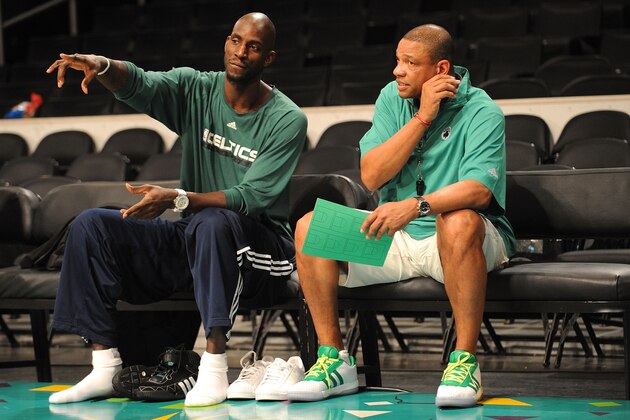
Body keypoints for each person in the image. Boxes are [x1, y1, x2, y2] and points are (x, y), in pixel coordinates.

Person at [45, 12, 307, 406]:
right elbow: (139, 83)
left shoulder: (287, 118)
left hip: (261, 251)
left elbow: (251, 197)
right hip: (196, 237)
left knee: (215, 221)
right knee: (92, 225)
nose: (241, 52)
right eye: (236, 41)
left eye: (253, 46)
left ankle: (215, 367)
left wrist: (179, 197)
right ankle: (104, 365)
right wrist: (101, 66)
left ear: (268, 58)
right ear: (226, 42)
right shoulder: (195, 88)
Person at [287, 24, 516, 408]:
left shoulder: (482, 111)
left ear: (441, 69)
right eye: (397, 60)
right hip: (397, 237)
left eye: (410, 63)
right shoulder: (392, 99)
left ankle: (464, 362)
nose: (398, 71)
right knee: (311, 227)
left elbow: (479, 190)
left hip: (460, 241)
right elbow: (372, 174)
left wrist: (416, 205)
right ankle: (334, 361)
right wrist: (422, 117)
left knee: (457, 220)